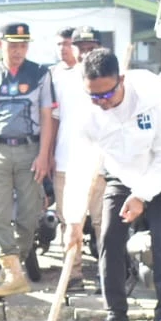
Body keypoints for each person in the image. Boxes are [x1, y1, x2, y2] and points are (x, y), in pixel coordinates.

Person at [65, 48, 161, 321]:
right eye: (95, 96)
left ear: (121, 79)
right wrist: (73, 220)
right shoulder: (84, 113)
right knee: (109, 239)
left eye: (108, 95)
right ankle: (116, 318)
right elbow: (79, 168)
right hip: (121, 174)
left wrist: (143, 195)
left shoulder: (151, 94)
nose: (102, 103)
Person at [0, 22, 55, 297]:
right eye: (12, 45)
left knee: (30, 216)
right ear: (0, 44)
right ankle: (13, 272)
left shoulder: (40, 73)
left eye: (23, 45)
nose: (18, 51)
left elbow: (46, 116)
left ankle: (13, 265)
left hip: (31, 152)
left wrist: (44, 156)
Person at [46, 26, 106, 285]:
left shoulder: (111, 79)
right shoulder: (60, 78)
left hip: (102, 164)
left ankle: (108, 272)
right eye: (80, 49)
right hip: (67, 162)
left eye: (91, 48)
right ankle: (73, 273)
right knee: (70, 222)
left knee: (105, 224)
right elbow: (54, 121)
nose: (85, 54)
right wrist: (47, 154)